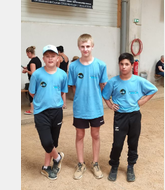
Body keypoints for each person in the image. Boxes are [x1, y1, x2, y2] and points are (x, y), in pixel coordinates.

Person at [102, 52, 158, 182]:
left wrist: (142, 101)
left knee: (133, 142)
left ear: (132, 65)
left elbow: (153, 89)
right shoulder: (114, 81)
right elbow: (105, 95)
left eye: (127, 64)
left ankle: (130, 166)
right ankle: (114, 166)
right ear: (119, 65)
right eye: (121, 64)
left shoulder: (138, 81)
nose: (124, 67)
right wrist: (110, 105)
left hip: (134, 116)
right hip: (120, 117)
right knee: (117, 144)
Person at [68, 33, 108, 180]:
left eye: (88, 46)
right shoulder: (73, 66)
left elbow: (103, 85)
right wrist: (81, 99)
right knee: (79, 135)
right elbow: (73, 88)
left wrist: (106, 102)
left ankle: (95, 163)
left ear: (92, 46)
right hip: (80, 108)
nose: (85, 49)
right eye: (82, 47)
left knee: (95, 135)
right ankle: (80, 163)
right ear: (79, 47)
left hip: (96, 107)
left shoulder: (101, 65)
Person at [28, 44, 68, 180]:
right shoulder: (37, 74)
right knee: (46, 141)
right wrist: (43, 101)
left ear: (57, 58)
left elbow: (62, 92)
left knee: (52, 142)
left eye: (53, 56)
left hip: (56, 111)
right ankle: (57, 158)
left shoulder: (62, 75)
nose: (50, 59)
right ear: (43, 58)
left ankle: (46, 167)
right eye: (47, 56)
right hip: (41, 112)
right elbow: (32, 93)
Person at [22, 46, 42, 115]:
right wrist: (27, 67)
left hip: (34, 81)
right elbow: (36, 68)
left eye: (27, 54)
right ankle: (38, 108)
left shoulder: (32, 61)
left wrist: (26, 71)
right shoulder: (37, 59)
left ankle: (32, 110)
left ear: (29, 52)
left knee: (31, 94)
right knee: (37, 94)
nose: (27, 55)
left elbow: (33, 73)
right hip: (39, 80)